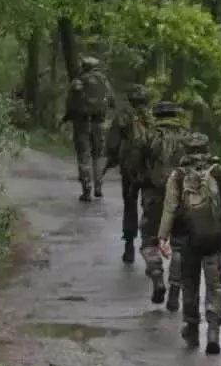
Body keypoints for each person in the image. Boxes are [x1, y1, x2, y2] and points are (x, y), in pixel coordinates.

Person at [158, 133, 221, 354]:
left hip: (187, 240)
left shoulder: (178, 176)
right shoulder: (220, 172)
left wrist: (163, 237)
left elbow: (169, 208)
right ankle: (214, 332)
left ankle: (192, 328)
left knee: (190, 285)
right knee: (215, 285)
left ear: (185, 150)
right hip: (215, 240)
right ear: (207, 149)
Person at [140, 101, 191, 305]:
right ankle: (175, 288)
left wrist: (139, 181)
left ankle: (157, 276)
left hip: (154, 193)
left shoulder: (149, 136)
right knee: (179, 243)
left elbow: (135, 162)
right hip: (182, 195)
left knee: (149, 239)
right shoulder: (188, 137)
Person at [104, 84, 153, 264]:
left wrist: (112, 159)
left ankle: (129, 245)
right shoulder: (153, 117)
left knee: (130, 205)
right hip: (149, 169)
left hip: (130, 169)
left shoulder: (123, 116)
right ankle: (150, 246)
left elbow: (112, 142)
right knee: (150, 207)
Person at [63, 55, 114, 202]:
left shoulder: (78, 82)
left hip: (81, 124)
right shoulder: (104, 81)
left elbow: (70, 103)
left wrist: (69, 117)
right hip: (100, 123)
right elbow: (112, 101)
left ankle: (87, 189)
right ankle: (99, 186)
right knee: (98, 156)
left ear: (83, 66)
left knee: (84, 155)